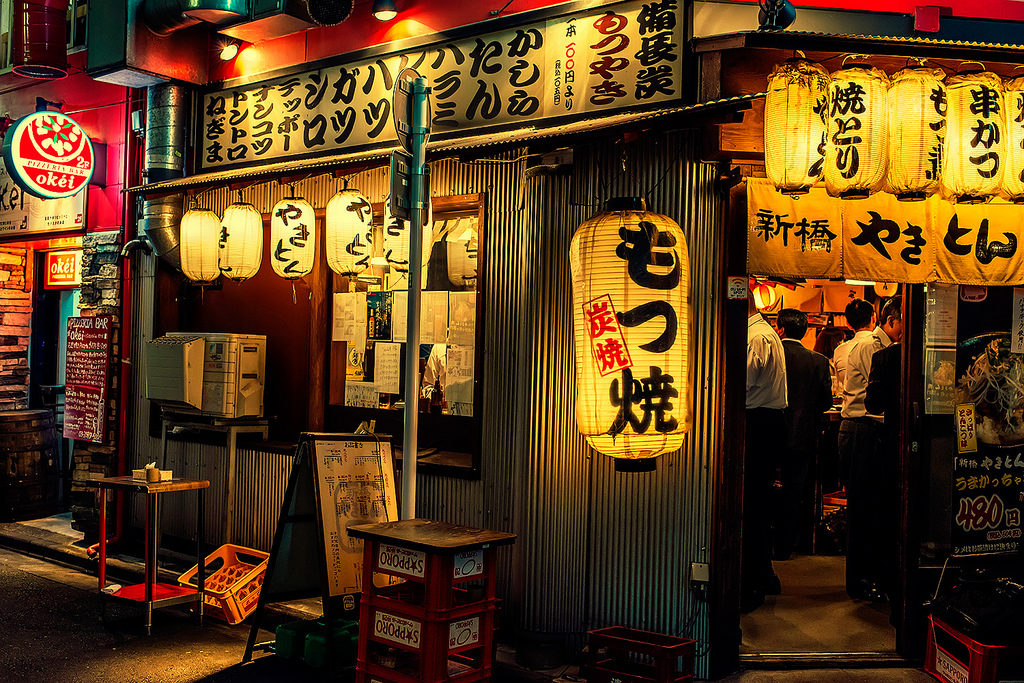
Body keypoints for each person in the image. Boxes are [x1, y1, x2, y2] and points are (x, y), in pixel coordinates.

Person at [840, 296, 903, 603]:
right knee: (862, 506)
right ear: (891, 320)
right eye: (903, 323)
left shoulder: (884, 348)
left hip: (874, 429)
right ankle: (859, 580)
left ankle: (870, 576)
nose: (905, 331)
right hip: (861, 429)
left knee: (873, 506)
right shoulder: (872, 348)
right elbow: (876, 397)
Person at [774, 309, 833, 560]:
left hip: (771, 433)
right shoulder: (818, 361)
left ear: (781, 329)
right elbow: (826, 402)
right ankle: (790, 545)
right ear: (806, 330)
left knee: (764, 489)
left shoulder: (772, 355)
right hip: (804, 436)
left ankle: (766, 545)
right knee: (796, 491)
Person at [743, 290, 788, 612]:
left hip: (759, 422)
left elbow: (741, 381)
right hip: (768, 422)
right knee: (756, 503)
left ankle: (754, 582)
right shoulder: (765, 332)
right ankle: (764, 575)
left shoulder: (757, 336)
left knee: (751, 505)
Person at [832, 298, 876, 399]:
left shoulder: (839, 350)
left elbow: (839, 387)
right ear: (873, 319)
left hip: (850, 410)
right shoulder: (882, 346)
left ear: (848, 324)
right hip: (878, 412)